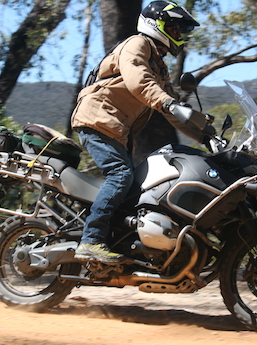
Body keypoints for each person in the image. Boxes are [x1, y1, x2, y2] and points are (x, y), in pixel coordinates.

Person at [70, 1, 213, 264]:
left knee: (136, 186)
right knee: (121, 175)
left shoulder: (159, 65)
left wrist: (206, 135)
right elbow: (139, 81)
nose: (178, 35)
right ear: (156, 25)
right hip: (96, 120)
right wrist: (168, 102)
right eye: (174, 28)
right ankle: (90, 241)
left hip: (113, 128)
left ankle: (118, 241)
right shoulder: (137, 44)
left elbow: (172, 110)